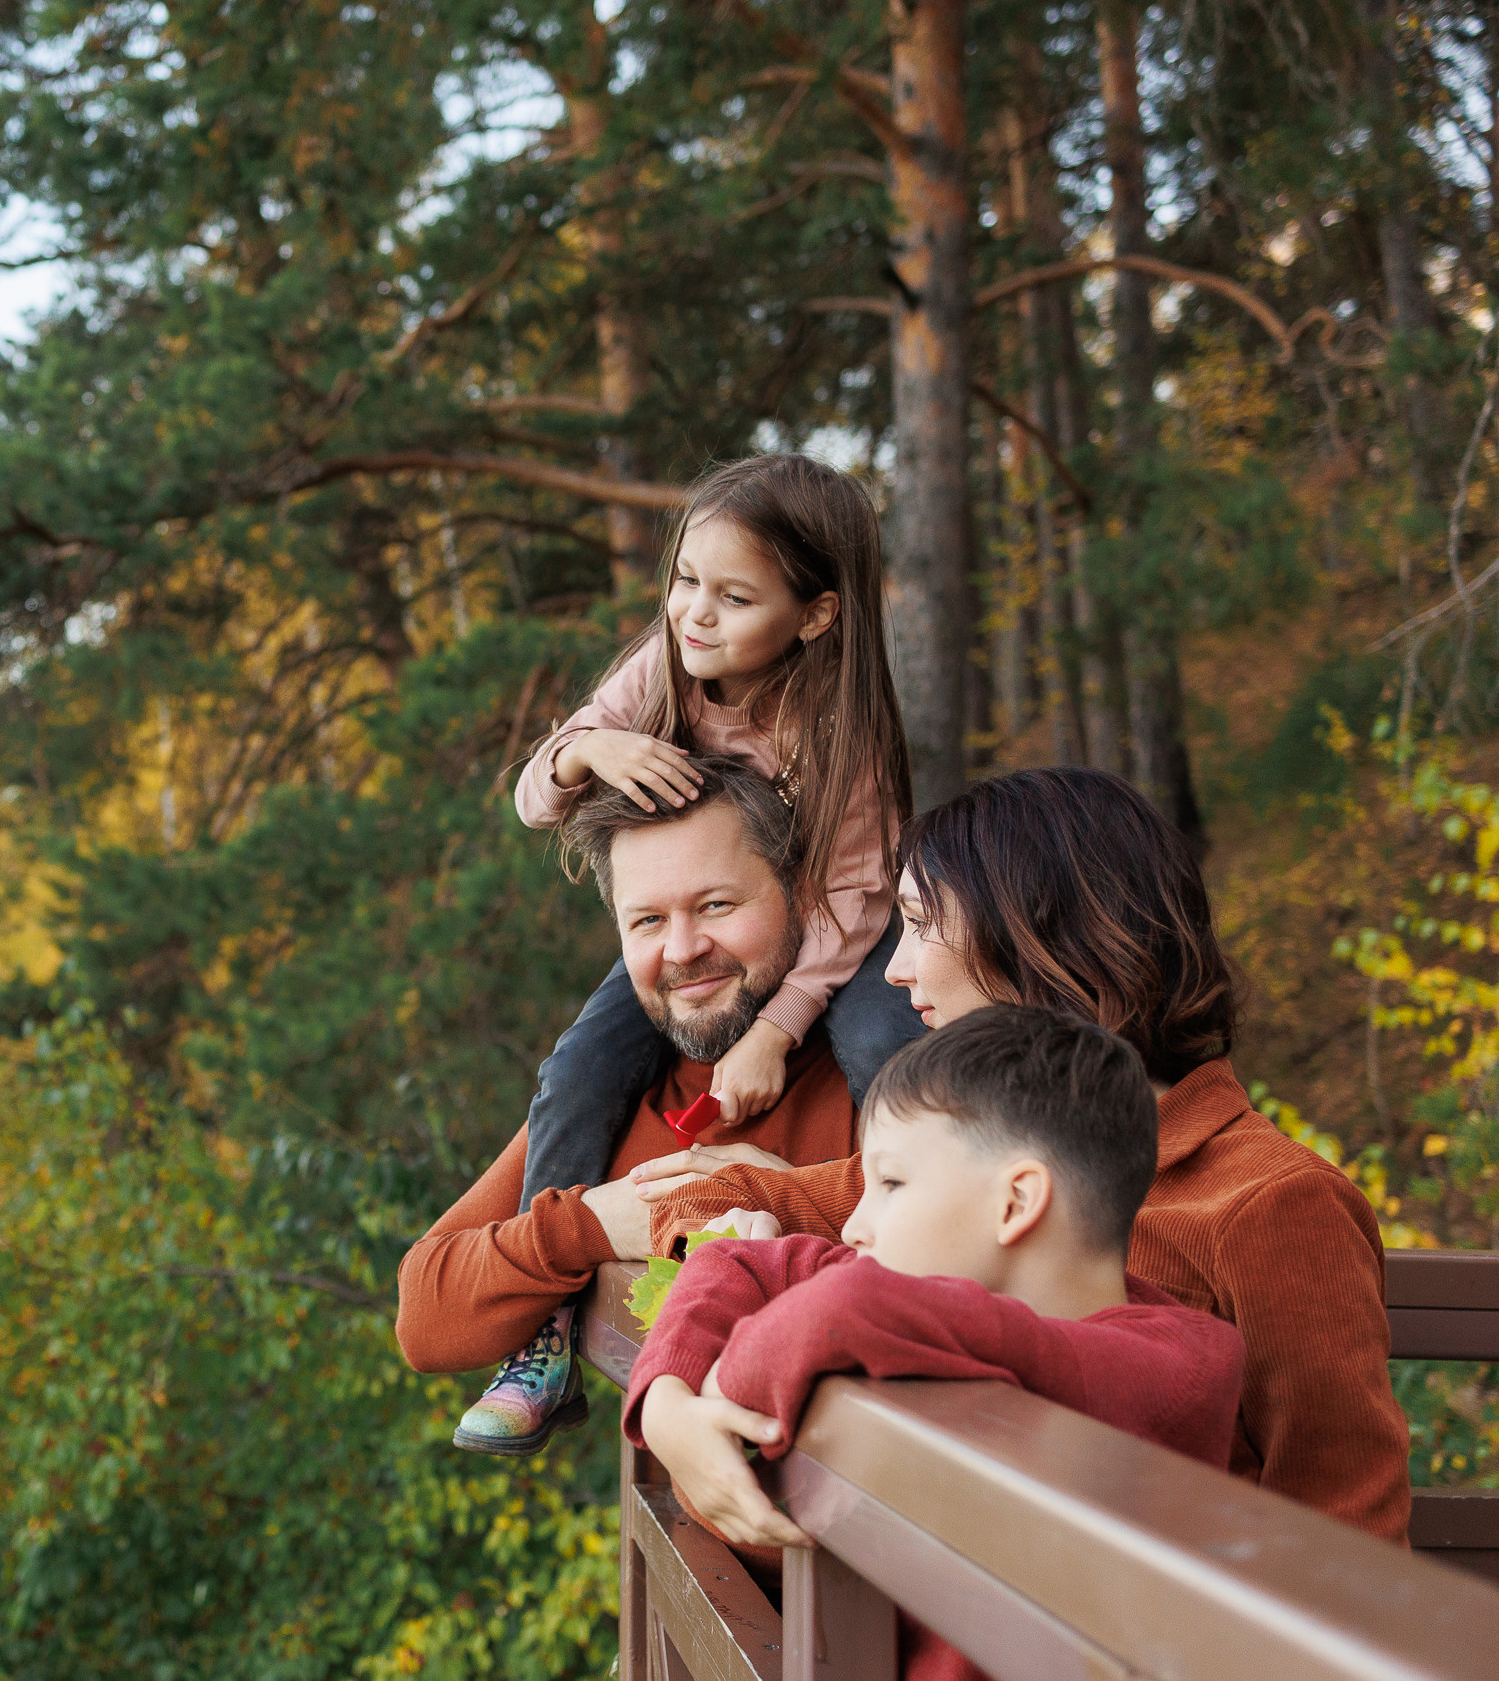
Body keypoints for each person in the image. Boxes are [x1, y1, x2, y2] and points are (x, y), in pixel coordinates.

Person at [630, 767, 1412, 1542]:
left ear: (1041, 932)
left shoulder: (1272, 1203)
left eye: (921, 924)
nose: (896, 970)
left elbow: (1350, 1529)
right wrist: (667, 1400)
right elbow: (693, 1201)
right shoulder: (963, 1159)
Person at [475, 453, 923, 1451]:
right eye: (684, 581)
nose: (695, 613)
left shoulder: (838, 728)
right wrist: (583, 749)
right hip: (714, 927)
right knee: (579, 1068)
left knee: (889, 1049)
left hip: (826, 940)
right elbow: (531, 798)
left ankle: (922, 1261)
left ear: (813, 615)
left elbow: (851, 904)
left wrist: (774, 1028)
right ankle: (546, 1327)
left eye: (732, 595)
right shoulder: (665, 669)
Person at [626, 1004, 1246, 1681]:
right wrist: (667, 1405)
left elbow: (843, 1307)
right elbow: (734, 1262)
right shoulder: (942, 1303)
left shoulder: (1176, 1366)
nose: (855, 1227)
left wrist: (722, 1386)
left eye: (890, 1183)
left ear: (1015, 1203)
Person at [397, 757, 864, 1454]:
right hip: (697, 1550)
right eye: (647, 920)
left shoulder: (879, 1081)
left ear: (801, 896)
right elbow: (425, 1317)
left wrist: (768, 1194)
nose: (683, 949)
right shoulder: (612, 1098)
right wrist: (589, 1225)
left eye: (717, 905)